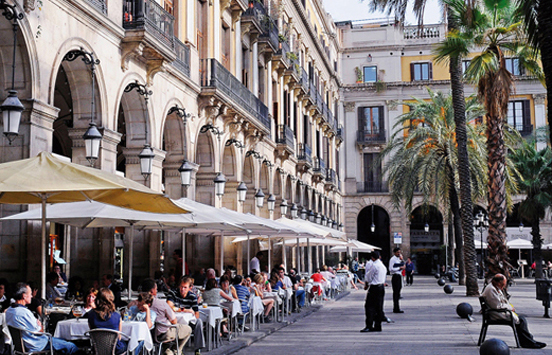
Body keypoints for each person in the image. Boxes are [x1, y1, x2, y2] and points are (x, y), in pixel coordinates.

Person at [6, 282, 78, 355]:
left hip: (23, 346)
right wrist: (40, 325)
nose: (31, 296)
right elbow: (40, 330)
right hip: (37, 344)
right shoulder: (24, 312)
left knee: (62, 342)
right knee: (72, 346)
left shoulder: (9, 311)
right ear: (24, 296)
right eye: (30, 294)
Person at [481, 274, 546, 349]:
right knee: (521, 320)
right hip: (496, 313)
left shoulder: (494, 287)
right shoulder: (491, 289)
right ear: (498, 282)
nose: (503, 287)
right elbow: (497, 306)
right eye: (503, 285)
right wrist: (510, 308)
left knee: (521, 319)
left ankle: (530, 341)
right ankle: (529, 342)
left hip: (498, 312)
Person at [141, 278, 191, 355]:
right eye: (156, 289)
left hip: (146, 334)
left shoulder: (138, 303)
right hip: (163, 333)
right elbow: (174, 321)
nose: (157, 291)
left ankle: (168, 350)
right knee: (188, 329)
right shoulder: (161, 303)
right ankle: (176, 351)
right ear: (152, 291)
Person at [88, 288, 135, 355]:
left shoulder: (91, 314)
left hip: (97, 349)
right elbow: (119, 337)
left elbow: (92, 332)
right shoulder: (117, 316)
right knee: (130, 344)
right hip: (115, 349)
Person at [166, 277, 205, 355]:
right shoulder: (173, 293)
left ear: (190, 288)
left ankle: (198, 349)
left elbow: (196, 314)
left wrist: (177, 309)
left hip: (188, 321)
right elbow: (169, 306)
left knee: (199, 322)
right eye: (181, 286)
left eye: (185, 287)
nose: (182, 289)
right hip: (173, 320)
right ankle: (179, 349)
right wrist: (185, 310)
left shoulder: (192, 296)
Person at [360, 251, 387, 333]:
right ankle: (378, 325)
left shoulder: (374, 266)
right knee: (379, 307)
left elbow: (368, 277)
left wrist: (366, 284)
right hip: (381, 287)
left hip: (374, 288)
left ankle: (369, 325)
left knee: (369, 307)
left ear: (372, 257)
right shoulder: (382, 266)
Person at [389, 247, 405, 313]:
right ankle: (395, 308)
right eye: (398, 252)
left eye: (399, 252)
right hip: (395, 275)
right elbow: (391, 268)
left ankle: (397, 307)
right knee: (396, 292)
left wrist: (402, 260)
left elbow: (402, 265)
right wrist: (399, 268)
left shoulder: (399, 259)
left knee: (398, 292)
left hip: (399, 276)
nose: (399, 254)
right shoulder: (392, 259)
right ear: (394, 253)